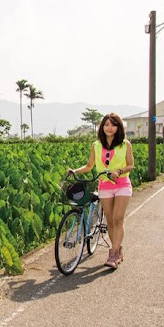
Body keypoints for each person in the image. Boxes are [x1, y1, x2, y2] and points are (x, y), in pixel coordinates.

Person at [67, 113, 135, 269]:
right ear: (102, 127)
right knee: (110, 221)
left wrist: (119, 170)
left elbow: (131, 165)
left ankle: (112, 254)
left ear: (118, 127)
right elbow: (89, 166)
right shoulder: (96, 145)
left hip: (122, 184)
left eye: (113, 124)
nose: (109, 127)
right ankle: (118, 250)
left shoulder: (125, 144)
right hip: (105, 186)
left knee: (118, 219)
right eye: (106, 124)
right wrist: (75, 171)